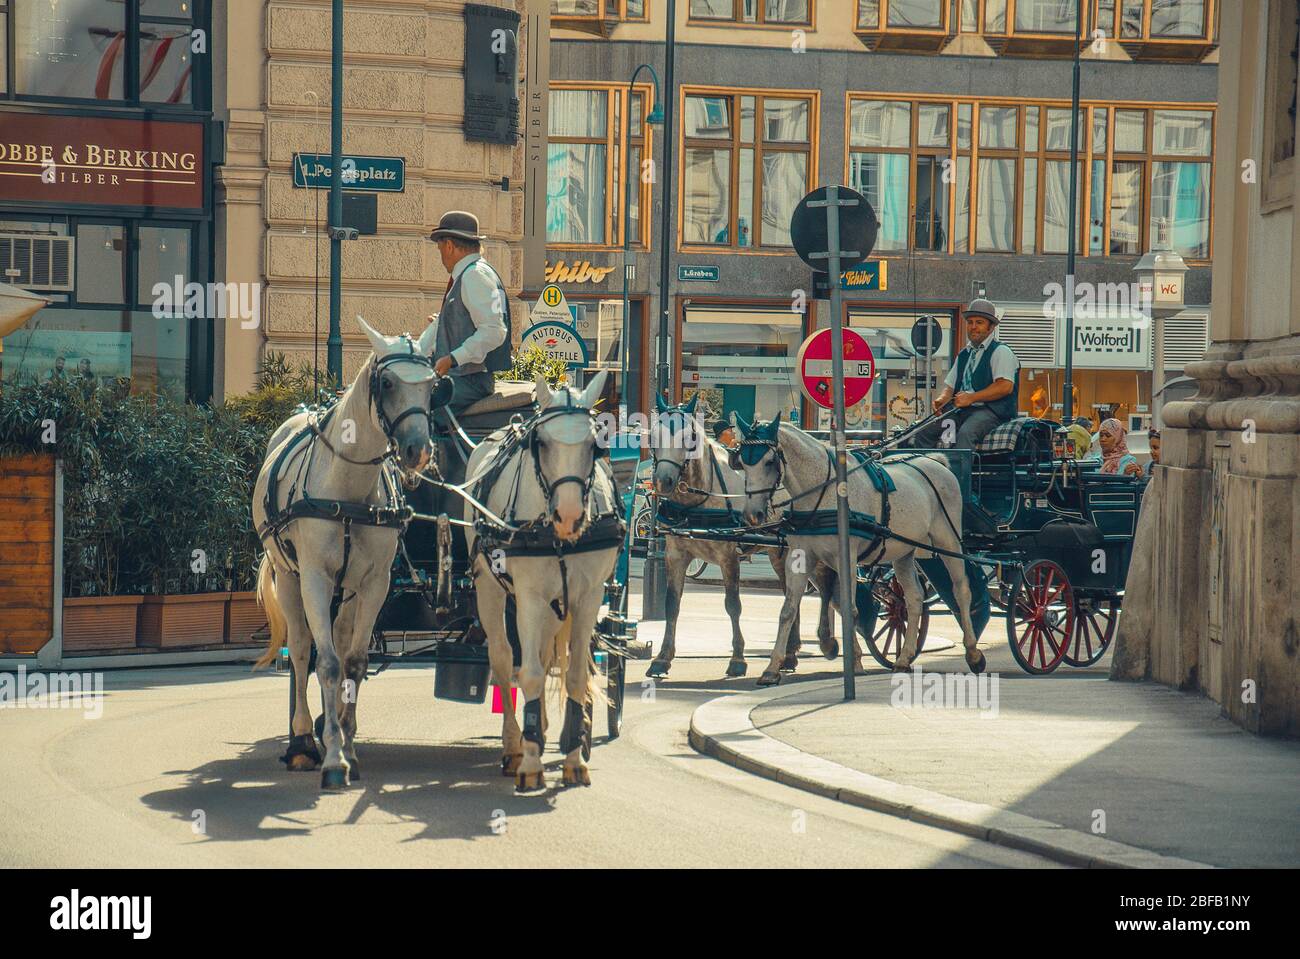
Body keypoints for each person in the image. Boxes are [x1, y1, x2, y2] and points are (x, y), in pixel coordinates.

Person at [907, 298, 1020, 450]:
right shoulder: (964, 354)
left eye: (979, 322)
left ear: (991, 327)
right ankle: (927, 471)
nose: (973, 327)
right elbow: (950, 386)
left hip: (992, 412)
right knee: (924, 431)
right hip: (962, 411)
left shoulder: (1001, 351)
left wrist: (971, 397)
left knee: (965, 434)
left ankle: (961, 474)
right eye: (970, 322)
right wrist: (942, 400)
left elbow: (1005, 386)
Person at [427, 210, 510, 415]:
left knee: (415, 413)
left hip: (468, 381)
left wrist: (452, 359)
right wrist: (445, 322)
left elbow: (494, 331)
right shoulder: (478, 272)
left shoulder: (474, 275)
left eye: (440, 249)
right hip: (467, 378)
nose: (441, 257)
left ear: (449, 246)